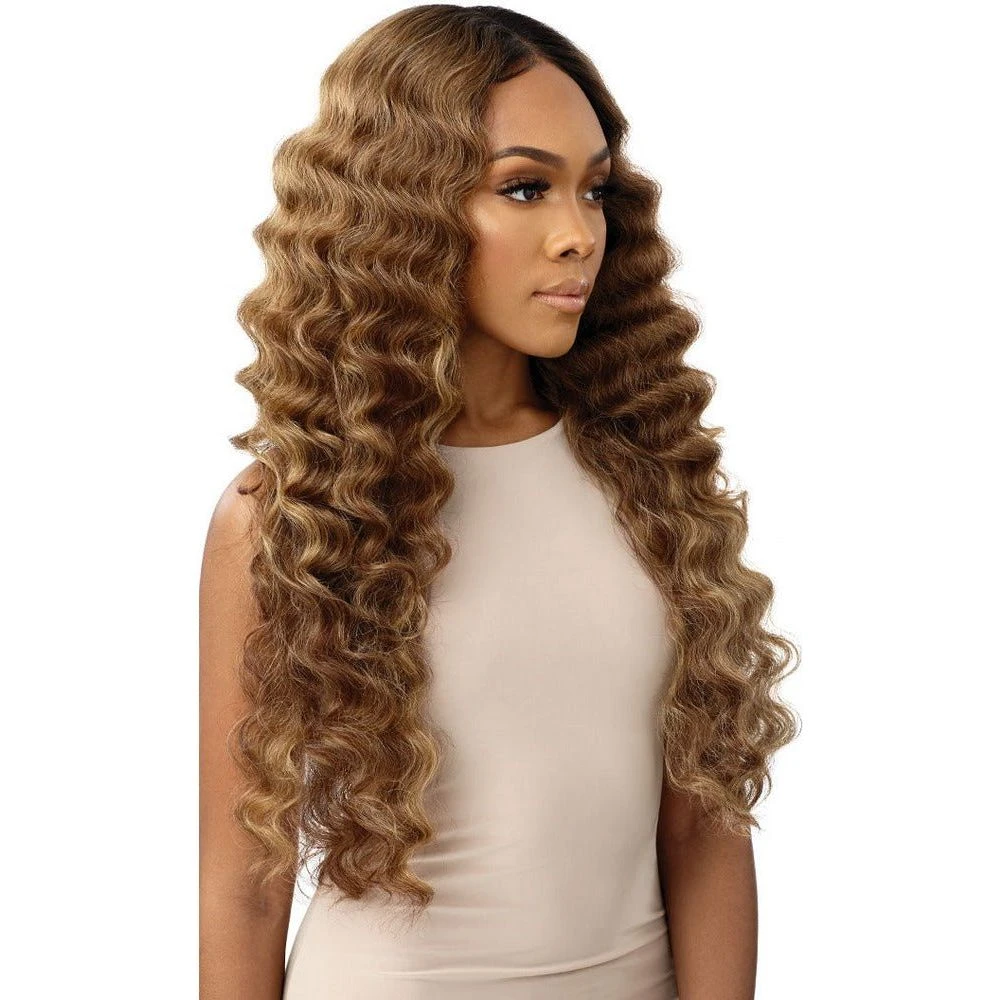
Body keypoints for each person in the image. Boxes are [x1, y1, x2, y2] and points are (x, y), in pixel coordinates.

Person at [199, 5, 800, 998]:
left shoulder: (650, 478)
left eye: (593, 190)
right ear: (404, 207)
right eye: (525, 188)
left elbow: (703, 824)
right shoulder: (287, 518)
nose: (578, 235)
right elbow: (245, 884)